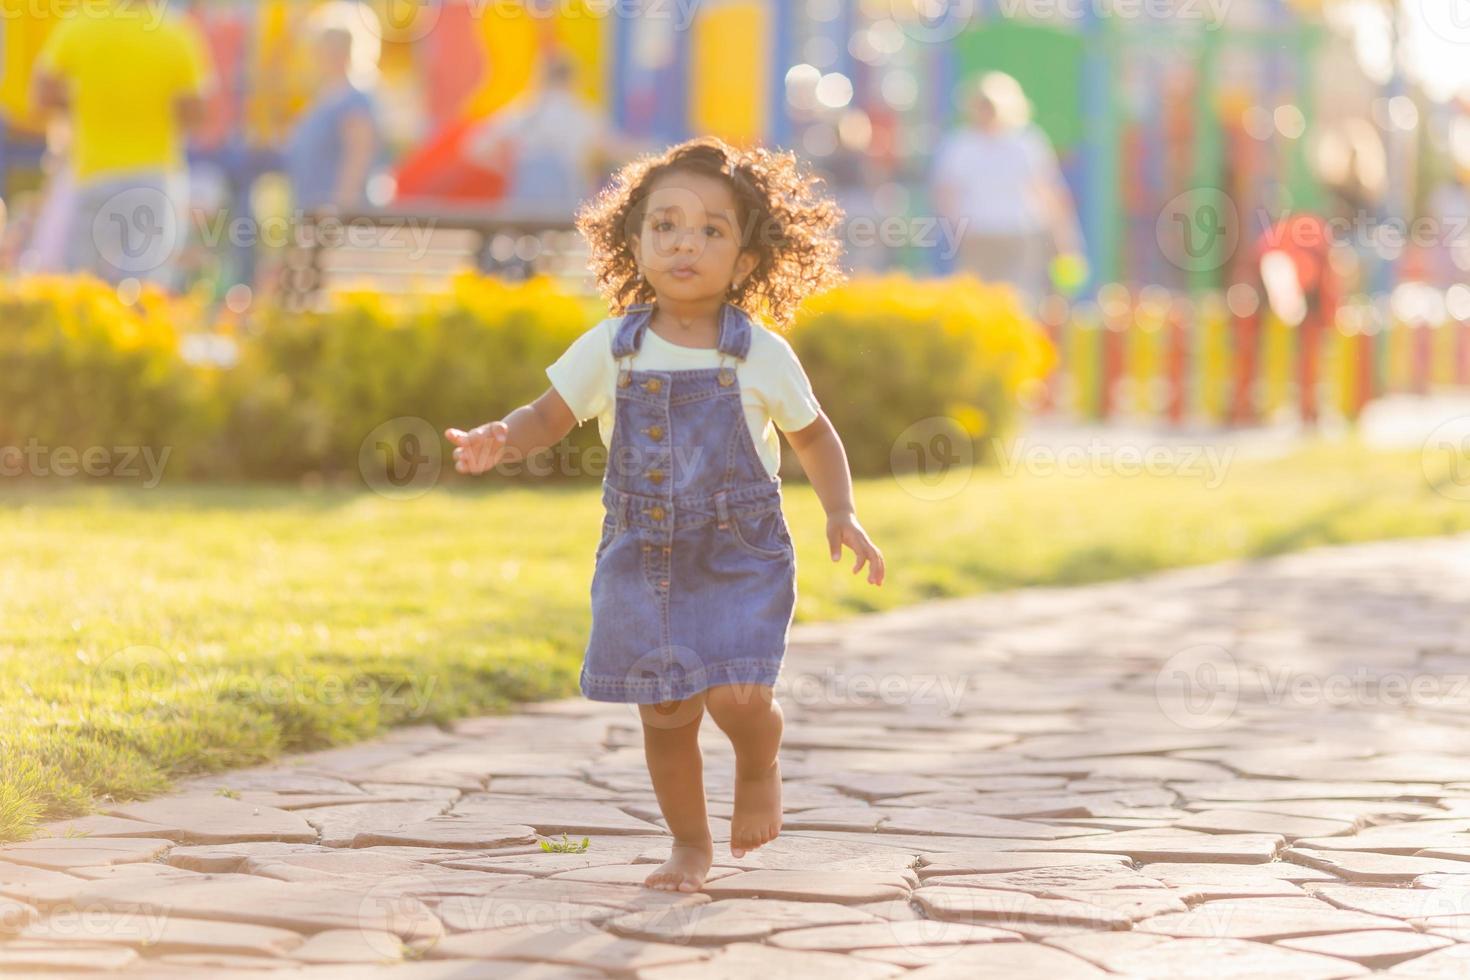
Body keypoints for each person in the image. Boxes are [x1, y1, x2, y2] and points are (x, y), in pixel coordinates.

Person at [444, 137, 885, 892]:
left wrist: (840, 511)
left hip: (738, 555)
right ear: (635, 242)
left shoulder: (759, 353)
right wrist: (501, 438)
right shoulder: (611, 349)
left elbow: (814, 434)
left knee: (738, 696)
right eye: (667, 226)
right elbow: (549, 416)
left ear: (746, 261)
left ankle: (758, 756)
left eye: (713, 230)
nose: (687, 242)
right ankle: (689, 844)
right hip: (640, 558)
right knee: (668, 715)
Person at [32, 0, 213, 289]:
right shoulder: (176, 32)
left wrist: (86, 103)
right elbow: (197, 112)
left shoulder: (79, 25)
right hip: (154, 179)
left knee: (79, 289)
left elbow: (42, 94)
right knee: (144, 291)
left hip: (92, 175)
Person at [931, 71, 1085, 314]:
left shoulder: (1022, 144)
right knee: (984, 302)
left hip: (1017, 235)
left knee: (1016, 300)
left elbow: (1048, 194)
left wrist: (1064, 238)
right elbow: (946, 195)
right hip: (981, 234)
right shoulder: (965, 145)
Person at [465, 51, 641, 214]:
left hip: (524, 208)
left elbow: (475, 147)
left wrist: (508, 168)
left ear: (541, 78)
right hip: (567, 209)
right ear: (572, 80)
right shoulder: (582, 115)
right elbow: (621, 152)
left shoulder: (526, 112)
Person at [282, 2, 383, 214]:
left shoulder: (355, 100)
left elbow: (357, 160)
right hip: (311, 211)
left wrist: (339, 210)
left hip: (337, 220)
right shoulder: (323, 97)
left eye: (336, 46)